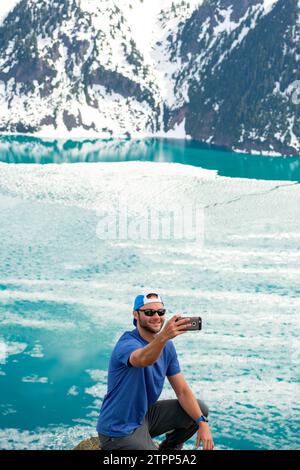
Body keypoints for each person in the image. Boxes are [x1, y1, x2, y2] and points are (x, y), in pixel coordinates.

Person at [96, 289, 214, 450]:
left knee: (199, 410)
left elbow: (183, 391)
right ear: (135, 315)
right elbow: (143, 359)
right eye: (149, 312)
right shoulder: (127, 343)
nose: (156, 317)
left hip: (144, 416)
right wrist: (164, 336)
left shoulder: (167, 346)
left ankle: (169, 449)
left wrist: (202, 422)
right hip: (118, 428)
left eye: (160, 312)